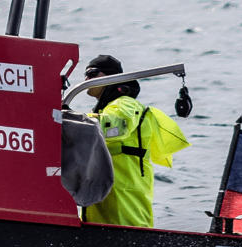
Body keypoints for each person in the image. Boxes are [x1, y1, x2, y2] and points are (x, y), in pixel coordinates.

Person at [79, 54, 190, 227]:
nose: (86, 79)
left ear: (109, 76)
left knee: (125, 230)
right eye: (85, 75)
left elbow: (115, 127)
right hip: (104, 195)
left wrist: (71, 119)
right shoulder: (107, 108)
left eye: (92, 74)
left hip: (124, 196)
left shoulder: (126, 104)